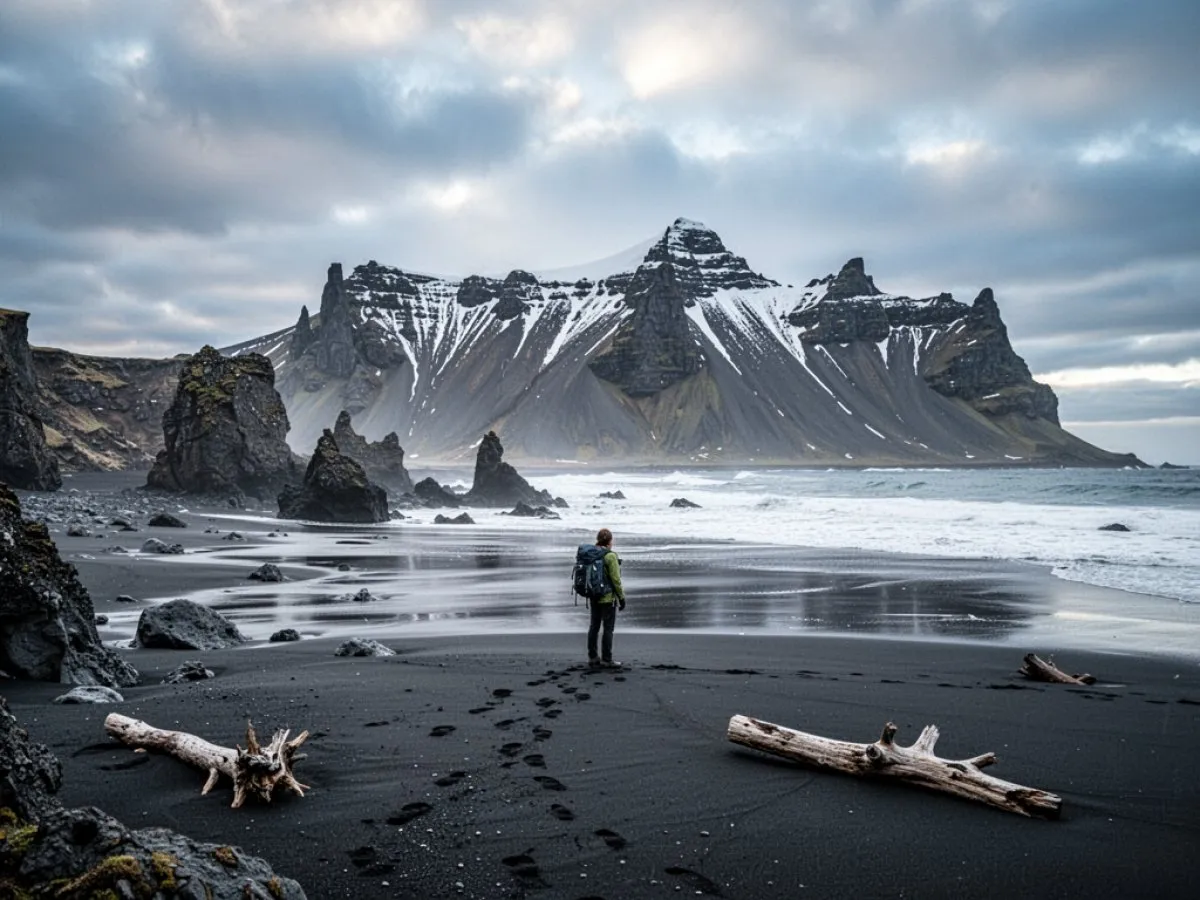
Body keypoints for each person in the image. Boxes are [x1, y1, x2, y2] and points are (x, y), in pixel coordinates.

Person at [587, 527, 625, 668]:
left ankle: (592, 657)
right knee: (608, 629)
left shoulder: (591, 553)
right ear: (609, 541)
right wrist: (621, 598)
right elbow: (616, 579)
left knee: (594, 626)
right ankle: (606, 659)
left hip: (593, 595)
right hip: (607, 598)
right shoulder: (610, 556)